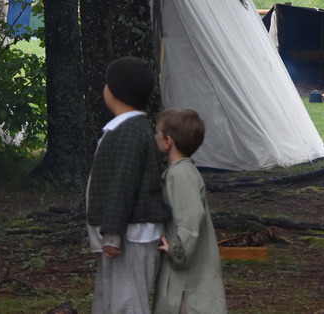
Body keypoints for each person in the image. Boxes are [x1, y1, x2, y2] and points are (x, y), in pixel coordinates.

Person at [86, 56, 167, 314]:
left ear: (115, 91)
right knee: (113, 301)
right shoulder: (126, 129)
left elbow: (123, 183)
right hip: (125, 232)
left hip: (130, 234)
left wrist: (111, 234)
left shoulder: (131, 132)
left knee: (128, 303)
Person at [153, 109, 227, 314]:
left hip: (187, 281)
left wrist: (176, 250)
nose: (154, 136)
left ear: (168, 141)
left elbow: (191, 219)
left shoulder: (181, 174)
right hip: (186, 276)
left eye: (157, 132)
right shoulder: (181, 172)